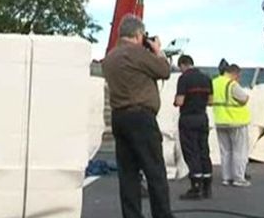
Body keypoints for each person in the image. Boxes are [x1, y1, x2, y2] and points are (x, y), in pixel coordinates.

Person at [102, 14, 174, 218]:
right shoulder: (136, 53)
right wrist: (158, 51)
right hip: (141, 117)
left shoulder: (110, 58)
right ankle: (162, 215)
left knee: (128, 174)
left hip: (119, 117)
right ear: (138, 34)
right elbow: (164, 70)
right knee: (155, 171)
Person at [174, 54, 213, 200]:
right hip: (202, 117)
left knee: (191, 151)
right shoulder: (206, 78)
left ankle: (195, 186)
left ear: (183, 65)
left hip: (188, 118)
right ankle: (207, 187)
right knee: (204, 150)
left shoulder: (184, 78)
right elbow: (210, 101)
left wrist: (177, 101)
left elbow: (180, 101)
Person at [211, 60, 251, 187]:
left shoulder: (214, 82)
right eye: (238, 76)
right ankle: (239, 178)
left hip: (220, 121)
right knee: (239, 151)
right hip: (236, 122)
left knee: (226, 151)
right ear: (234, 73)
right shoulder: (231, 84)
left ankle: (226, 177)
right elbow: (243, 98)